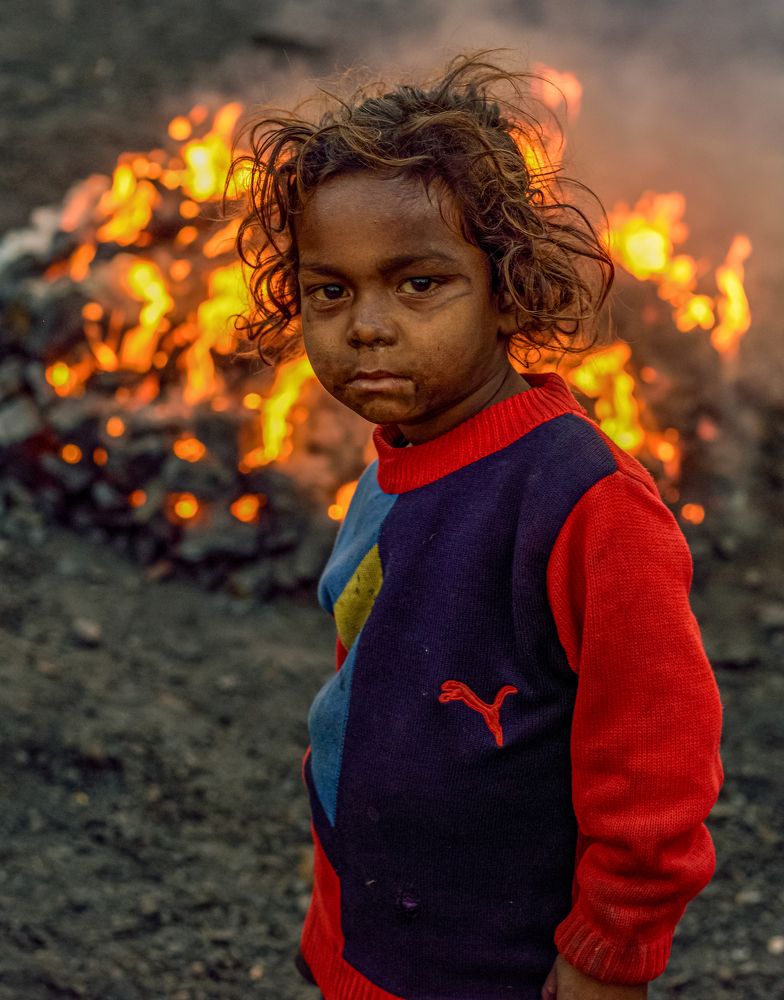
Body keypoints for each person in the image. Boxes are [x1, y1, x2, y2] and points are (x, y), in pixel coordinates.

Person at [231, 53, 724, 1000]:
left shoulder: (583, 502)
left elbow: (657, 759)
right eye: (330, 290)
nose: (367, 324)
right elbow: (368, 684)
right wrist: (333, 867)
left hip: (492, 963)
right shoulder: (395, 461)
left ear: (507, 289)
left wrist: (606, 954)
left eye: (419, 284)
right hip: (370, 933)